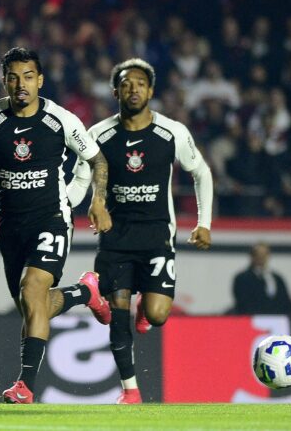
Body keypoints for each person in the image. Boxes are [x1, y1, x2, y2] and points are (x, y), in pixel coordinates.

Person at [0, 47, 112, 404]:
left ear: (40, 80)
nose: (20, 84)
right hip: (10, 225)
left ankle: (25, 386)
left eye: (28, 76)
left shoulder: (60, 120)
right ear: (4, 80)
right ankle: (84, 293)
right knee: (33, 306)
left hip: (52, 219)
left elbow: (96, 159)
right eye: (13, 77)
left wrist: (97, 200)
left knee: (32, 292)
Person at [67, 58, 214, 404]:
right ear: (115, 91)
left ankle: (145, 307)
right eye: (126, 84)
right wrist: (61, 208)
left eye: (140, 84)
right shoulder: (98, 135)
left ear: (151, 91)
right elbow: (80, 182)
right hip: (116, 237)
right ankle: (130, 390)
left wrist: (203, 223)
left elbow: (201, 172)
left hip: (157, 235)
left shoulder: (172, 132)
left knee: (159, 315)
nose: (133, 89)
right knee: (119, 314)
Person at [231, 242, 291, 315]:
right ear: (252, 256)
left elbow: (286, 302)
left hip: (277, 320)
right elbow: (243, 303)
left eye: (264, 254)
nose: (261, 257)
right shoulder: (242, 278)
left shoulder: (277, 278)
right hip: (254, 319)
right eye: (258, 254)